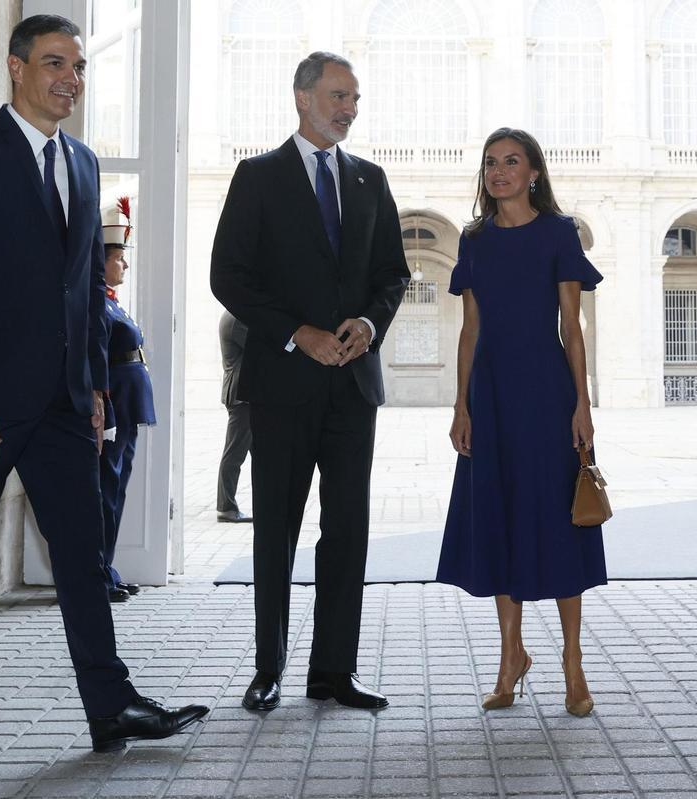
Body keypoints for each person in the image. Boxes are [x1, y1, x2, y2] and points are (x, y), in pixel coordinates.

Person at [0, 15, 206, 785]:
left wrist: (97, 387)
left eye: (77, 65)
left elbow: (79, 294)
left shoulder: (84, 159)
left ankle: (109, 708)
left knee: (82, 561)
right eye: (52, 62)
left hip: (67, 407)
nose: (69, 77)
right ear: (16, 68)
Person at [211, 51, 410, 713]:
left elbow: (393, 276)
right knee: (276, 529)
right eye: (337, 95)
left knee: (347, 530)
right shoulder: (258, 176)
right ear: (302, 97)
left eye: (355, 97)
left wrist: (369, 324)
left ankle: (334, 671)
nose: (348, 108)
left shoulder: (370, 180)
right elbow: (230, 277)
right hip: (283, 384)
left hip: (354, 387)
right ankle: (268, 668)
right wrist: (300, 331)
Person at [436, 127, 606, 717]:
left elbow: (572, 328)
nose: (499, 171)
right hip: (491, 396)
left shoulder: (559, 232)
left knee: (558, 522)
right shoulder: (474, 238)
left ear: (534, 172)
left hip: (545, 392)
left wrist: (581, 405)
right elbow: (469, 328)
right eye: (490, 163)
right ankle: (511, 656)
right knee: (501, 518)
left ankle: (573, 663)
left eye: (511, 162)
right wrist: (461, 406)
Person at [98, 196, 154, 603]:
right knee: (104, 489)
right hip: (113, 405)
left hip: (128, 405)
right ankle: (96, 574)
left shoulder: (110, 301)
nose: (125, 264)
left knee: (115, 490)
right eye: (119, 257)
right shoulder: (92, 300)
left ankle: (107, 569)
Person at [217, 310, 253, 523]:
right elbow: (260, 346)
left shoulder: (232, 316)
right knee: (234, 453)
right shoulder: (236, 319)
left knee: (242, 451)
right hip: (241, 395)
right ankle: (226, 507)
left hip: (243, 394)